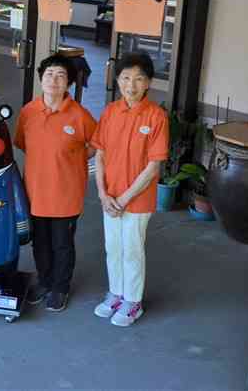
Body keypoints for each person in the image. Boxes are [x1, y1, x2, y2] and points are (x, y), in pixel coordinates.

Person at [15, 53, 97, 312]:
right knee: (40, 241)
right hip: (36, 190)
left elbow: (97, 143)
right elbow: (22, 143)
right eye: (49, 74)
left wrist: (75, 156)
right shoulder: (29, 111)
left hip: (66, 192)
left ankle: (60, 287)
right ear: (41, 78)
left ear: (69, 83)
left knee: (62, 243)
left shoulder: (80, 115)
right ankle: (44, 279)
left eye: (61, 75)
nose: (54, 79)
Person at [92, 52, 169, 327]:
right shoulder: (110, 111)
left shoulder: (156, 116)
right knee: (113, 247)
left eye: (138, 79)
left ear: (148, 83)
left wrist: (123, 198)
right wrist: (103, 193)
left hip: (136, 200)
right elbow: (99, 154)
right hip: (109, 197)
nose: (131, 85)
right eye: (126, 78)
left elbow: (153, 166)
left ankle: (133, 301)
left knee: (132, 249)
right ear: (118, 80)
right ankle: (116, 293)